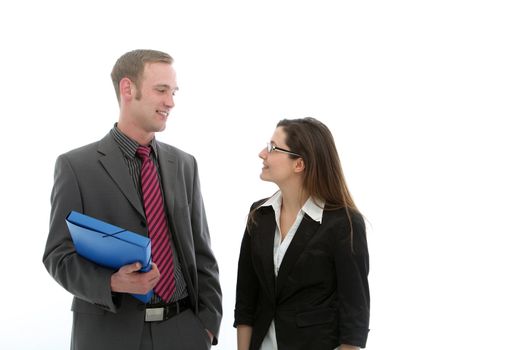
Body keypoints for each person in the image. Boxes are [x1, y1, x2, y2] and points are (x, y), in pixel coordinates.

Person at [43, 49, 222, 350]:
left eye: (173, 92)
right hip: (109, 335)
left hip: (183, 332)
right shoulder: (76, 166)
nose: (171, 102)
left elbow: (202, 253)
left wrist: (206, 326)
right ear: (128, 89)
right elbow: (58, 255)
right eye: (161, 90)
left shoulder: (185, 164)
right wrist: (111, 282)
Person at [234, 117, 370, 350]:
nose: (262, 154)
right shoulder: (259, 214)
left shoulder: (343, 223)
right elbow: (246, 300)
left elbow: (354, 316)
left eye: (272, 148)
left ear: (299, 164)